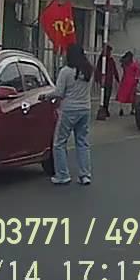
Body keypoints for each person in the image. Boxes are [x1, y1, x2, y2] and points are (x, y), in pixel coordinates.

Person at [51, 44, 94, 186]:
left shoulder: (65, 71)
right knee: (82, 142)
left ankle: (62, 175)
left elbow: (58, 92)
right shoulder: (88, 71)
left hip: (69, 110)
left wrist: (46, 96)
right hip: (85, 109)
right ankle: (85, 175)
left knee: (59, 143)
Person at [94, 44, 119, 120]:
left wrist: (117, 78)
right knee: (104, 95)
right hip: (104, 80)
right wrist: (97, 78)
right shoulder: (102, 59)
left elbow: (114, 69)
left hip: (109, 80)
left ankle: (106, 108)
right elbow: (98, 69)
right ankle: (104, 109)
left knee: (107, 96)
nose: (110, 53)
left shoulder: (111, 60)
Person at [116, 51, 140, 117]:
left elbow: (121, 62)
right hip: (132, 81)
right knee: (133, 96)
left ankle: (121, 109)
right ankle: (132, 110)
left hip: (125, 80)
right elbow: (138, 73)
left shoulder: (125, 64)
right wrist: (137, 80)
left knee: (123, 95)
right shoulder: (135, 64)